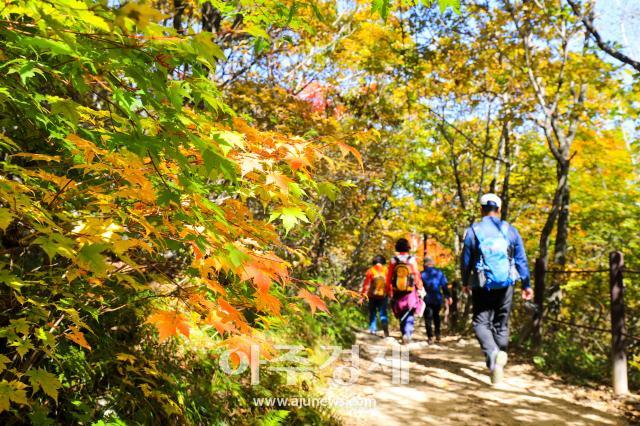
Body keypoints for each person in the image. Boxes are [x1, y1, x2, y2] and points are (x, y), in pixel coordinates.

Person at [461, 193, 534, 385]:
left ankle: (492, 355)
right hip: (506, 284)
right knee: (501, 322)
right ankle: (499, 354)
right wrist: (526, 284)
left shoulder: (473, 231)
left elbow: (466, 259)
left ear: (481, 209)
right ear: (499, 209)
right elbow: (521, 260)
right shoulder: (510, 230)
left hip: (482, 284)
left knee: (480, 322)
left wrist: (465, 280)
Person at [387, 238, 424, 344]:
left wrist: (389, 289)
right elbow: (416, 275)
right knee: (409, 310)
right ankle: (408, 334)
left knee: (400, 311)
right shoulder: (411, 259)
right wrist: (420, 287)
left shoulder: (393, 260)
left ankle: (404, 332)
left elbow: (389, 276)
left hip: (397, 290)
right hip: (410, 291)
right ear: (408, 247)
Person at [421, 257, 452, 344]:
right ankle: (438, 335)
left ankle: (430, 337)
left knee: (428, 318)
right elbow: (444, 286)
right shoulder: (439, 273)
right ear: (433, 263)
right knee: (436, 316)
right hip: (437, 298)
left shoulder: (421, 274)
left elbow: (418, 287)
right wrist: (448, 296)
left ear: (425, 264)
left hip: (426, 299)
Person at [361, 255, 389, 337]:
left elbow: (366, 285)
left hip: (372, 296)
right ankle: (385, 327)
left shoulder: (371, 270)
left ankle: (373, 329)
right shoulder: (386, 270)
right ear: (383, 261)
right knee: (383, 313)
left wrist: (363, 295)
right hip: (383, 296)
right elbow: (388, 284)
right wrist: (389, 293)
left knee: (372, 313)